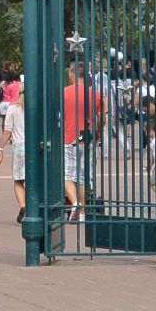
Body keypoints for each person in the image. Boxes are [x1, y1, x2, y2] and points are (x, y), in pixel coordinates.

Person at [61, 65, 104, 222]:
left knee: (67, 175)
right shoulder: (96, 94)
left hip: (69, 136)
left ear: (72, 74)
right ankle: (82, 214)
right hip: (87, 139)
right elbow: (101, 118)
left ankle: (74, 202)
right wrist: (97, 133)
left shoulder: (64, 93)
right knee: (82, 177)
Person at [0, 80, 24, 220]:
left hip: (18, 147)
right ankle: (32, 205)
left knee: (18, 180)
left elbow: (7, 131)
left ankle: (23, 205)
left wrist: (0, 148)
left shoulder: (13, 108)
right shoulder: (37, 107)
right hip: (33, 147)